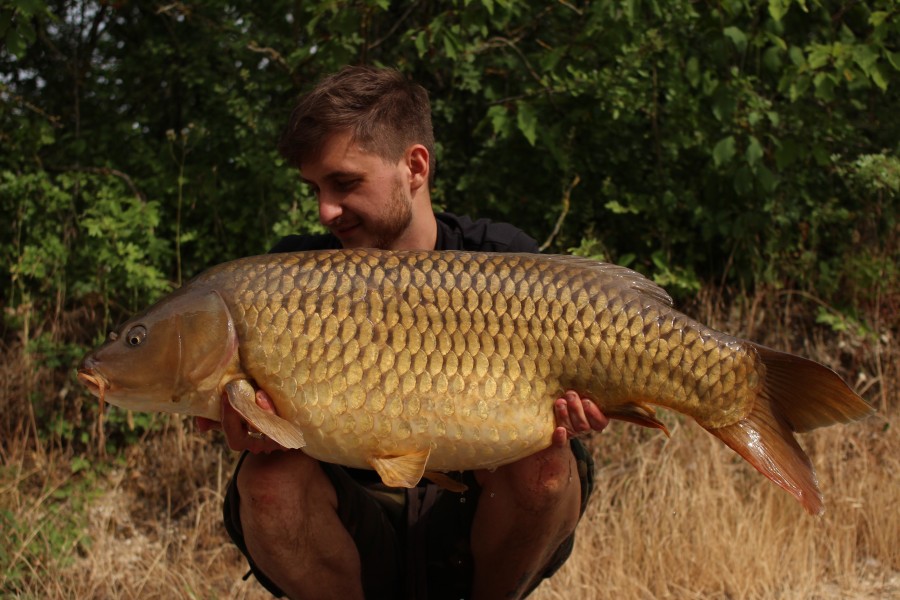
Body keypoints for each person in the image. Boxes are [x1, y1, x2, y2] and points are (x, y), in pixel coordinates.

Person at [197, 66, 609, 600]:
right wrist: (252, 428)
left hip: (473, 512)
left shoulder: (506, 266)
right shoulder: (288, 281)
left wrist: (590, 411)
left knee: (546, 465)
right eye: (315, 188)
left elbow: (589, 399)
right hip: (350, 520)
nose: (325, 210)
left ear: (414, 166)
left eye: (344, 183)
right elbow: (254, 431)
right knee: (266, 481)